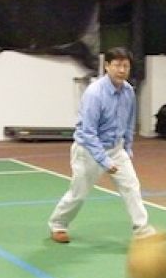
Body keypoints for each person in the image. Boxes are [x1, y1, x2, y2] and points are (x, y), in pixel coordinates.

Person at [47, 47, 153, 243]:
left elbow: (129, 123)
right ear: (107, 66)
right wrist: (103, 160)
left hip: (116, 149)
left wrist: (127, 148)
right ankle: (58, 224)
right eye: (117, 65)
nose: (122, 70)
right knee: (78, 193)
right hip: (88, 150)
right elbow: (87, 132)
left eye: (125, 66)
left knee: (131, 186)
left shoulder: (129, 91)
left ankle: (142, 229)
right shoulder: (94, 94)